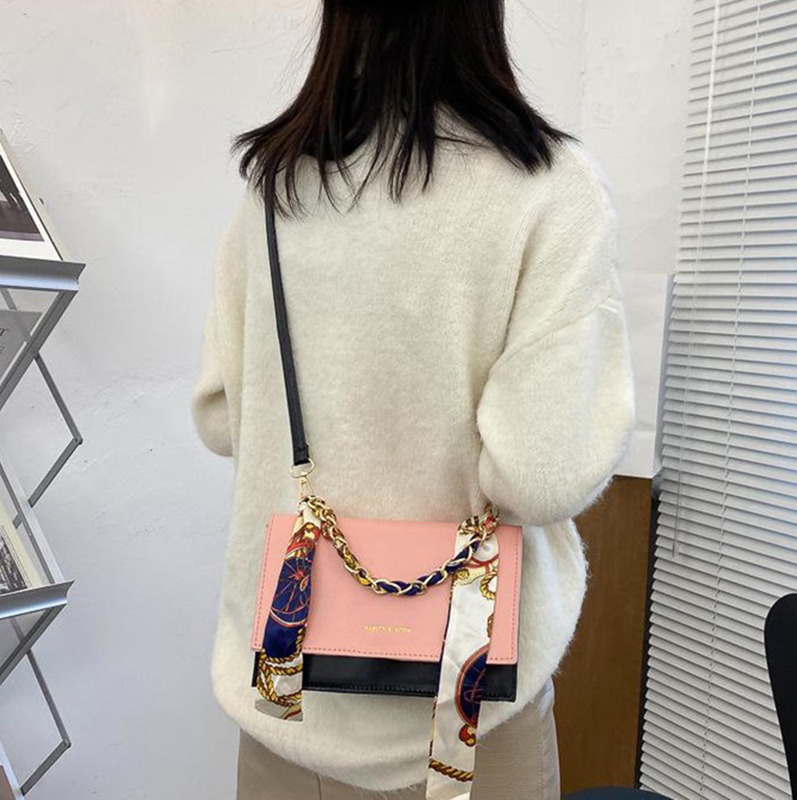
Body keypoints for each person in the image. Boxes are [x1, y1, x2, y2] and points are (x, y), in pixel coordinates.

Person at [191, 0, 637, 797]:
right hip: (471, 718)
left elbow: (221, 417)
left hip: (287, 706)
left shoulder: (274, 192)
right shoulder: (550, 189)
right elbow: (538, 477)